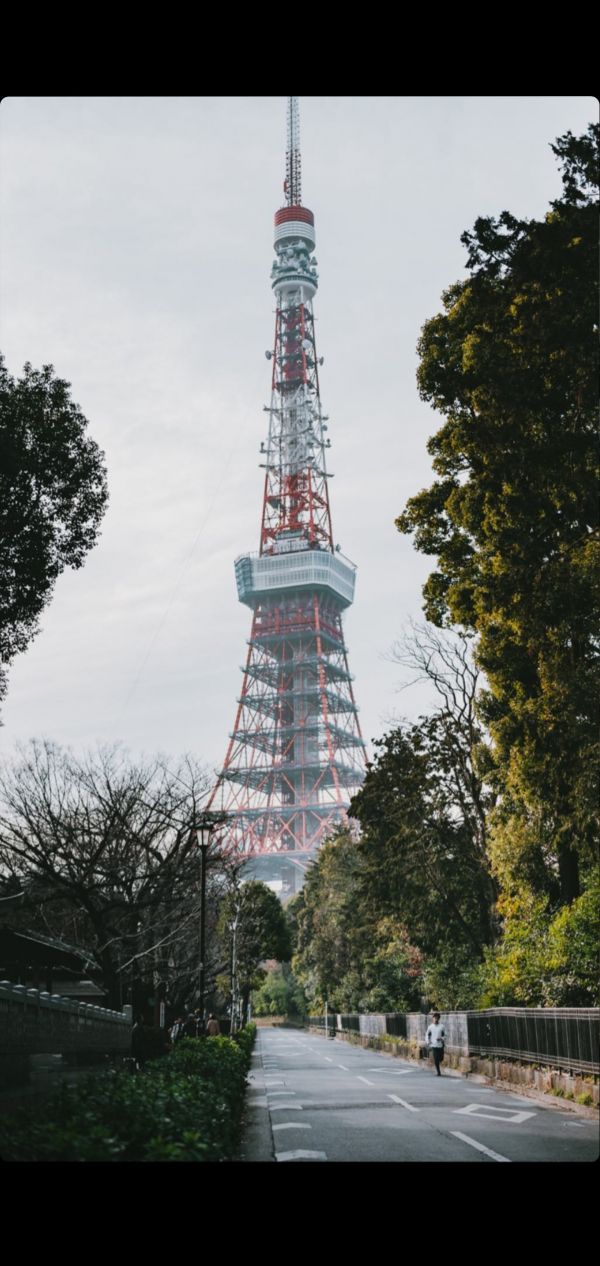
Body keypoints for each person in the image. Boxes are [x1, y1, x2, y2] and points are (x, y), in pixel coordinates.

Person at [426, 1011, 446, 1076]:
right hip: (433, 1045)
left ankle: (438, 1065)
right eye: (435, 1018)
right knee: (436, 1059)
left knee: (441, 1058)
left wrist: (441, 1038)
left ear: (439, 1019)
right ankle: (438, 1072)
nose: (436, 1019)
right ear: (433, 1018)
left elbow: (445, 1035)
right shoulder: (430, 1027)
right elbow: (427, 1035)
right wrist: (428, 1041)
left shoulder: (442, 1026)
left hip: (440, 1045)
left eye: (437, 1018)